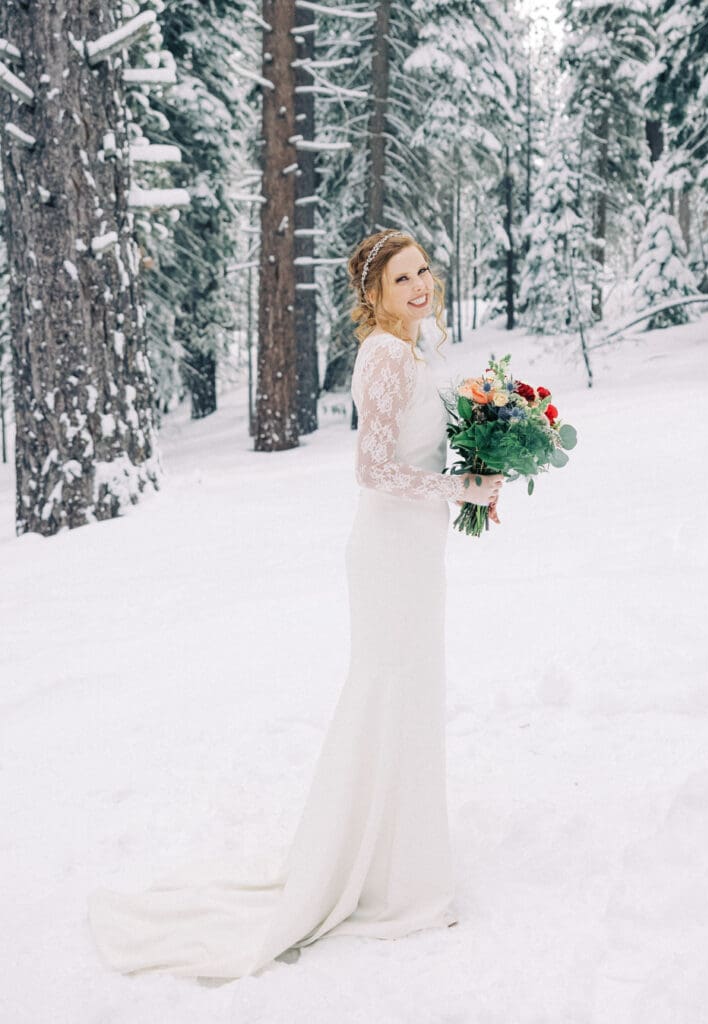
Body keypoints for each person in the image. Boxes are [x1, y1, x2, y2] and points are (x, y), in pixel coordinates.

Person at [86, 229, 503, 981]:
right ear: (371, 293)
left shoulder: (414, 350)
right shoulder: (381, 356)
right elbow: (372, 470)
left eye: (423, 270)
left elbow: (422, 446)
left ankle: (395, 863)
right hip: (388, 551)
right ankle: (377, 878)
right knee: (389, 693)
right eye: (401, 277)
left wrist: (482, 458)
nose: (419, 285)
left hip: (416, 550)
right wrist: (458, 487)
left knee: (409, 698)